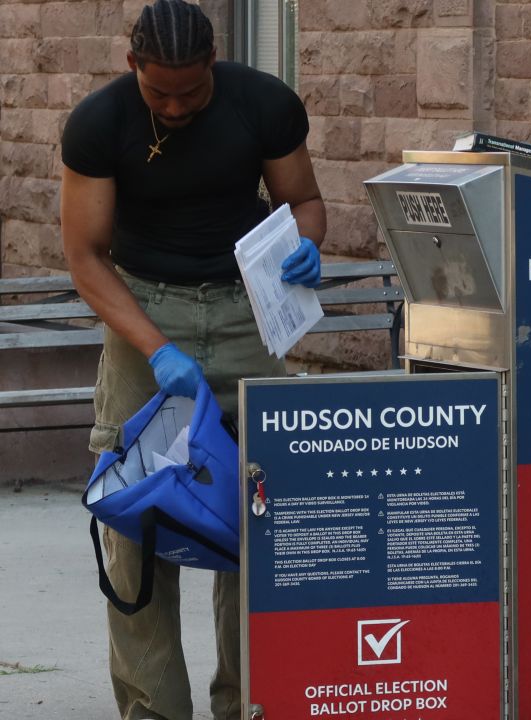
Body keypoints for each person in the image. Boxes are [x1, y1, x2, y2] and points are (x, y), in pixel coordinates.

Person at [59, 1, 325, 718]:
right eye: (158, 92)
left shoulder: (265, 104)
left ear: (213, 65)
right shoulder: (98, 123)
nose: (174, 106)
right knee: (137, 522)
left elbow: (302, 200)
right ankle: (156, 710)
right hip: (141, 312)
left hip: (248, 312)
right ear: (131, 66)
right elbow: (85, 257)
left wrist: (307, 247)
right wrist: (157, 347)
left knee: (260, 513)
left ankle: (250, 702)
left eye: (191, 90)